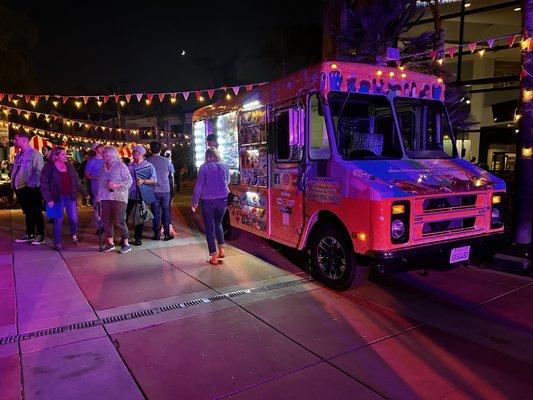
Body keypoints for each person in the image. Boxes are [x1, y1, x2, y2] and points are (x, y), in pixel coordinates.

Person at [40, 147, 87, 250]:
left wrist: (85, 193)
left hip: (70, 197)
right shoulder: (49, 167)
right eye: (63, 154)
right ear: (55, 156)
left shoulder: (69, 166)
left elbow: (76, 181)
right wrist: (48, 199)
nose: (66, 156)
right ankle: (57, 242)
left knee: (74, 219)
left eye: (65, 154)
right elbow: (43, 184)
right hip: (57, 198)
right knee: (58, 220)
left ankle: (74, 235)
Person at [191, 147, 229, 265]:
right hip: (222, 199)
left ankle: (213, 257)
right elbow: (227, 181)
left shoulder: (204, 168)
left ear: (207, 156)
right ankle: (221, 249)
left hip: (208, 200)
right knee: (218, 223)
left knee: (209, 228)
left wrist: (194, 202)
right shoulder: (224, 166)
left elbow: (199, 186)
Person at [97, 146, 133, 254]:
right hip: (105, 197)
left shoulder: (121, 166)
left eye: (104, 154)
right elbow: (101, 182)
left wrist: (116, 185)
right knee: (106, 220)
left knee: (119, 220)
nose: (102, 155)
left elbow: (129, 181)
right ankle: (110, 243)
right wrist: (99, 195)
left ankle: (126, 243)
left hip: (119, 197)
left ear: (111, 155)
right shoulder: (103, 166)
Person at [11, 132, 45, 244]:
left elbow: (40, 172)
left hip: (32, 188)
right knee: (28, 213)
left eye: (16, 139)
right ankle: (30, 233)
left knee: (36, 212)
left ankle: (40, 235)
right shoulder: (18, 155)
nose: (14, 141)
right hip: (20, 188)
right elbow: (16, 171)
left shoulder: (35, 155)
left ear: (24, 140)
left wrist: (31, 184)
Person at [127, 146, 157, 246]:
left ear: (139, 153)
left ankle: (137, 238)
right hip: (129, 195)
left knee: (140, 217)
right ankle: (125, 237)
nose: (132, 153)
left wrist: (143, 181)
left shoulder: (149, 166)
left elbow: (154, 180)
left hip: (141, 195)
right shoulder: (129, 166)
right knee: (124, 216)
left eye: (134, 152)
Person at [147, 141, 174, 241]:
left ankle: (157, 234)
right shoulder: (167, 161)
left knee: (155, 213)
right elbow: (169, 174)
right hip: (165, 190)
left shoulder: (148, 161)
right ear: (160, 149)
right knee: (166, 211)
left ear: (150, 149)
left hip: (153, 190)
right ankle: (167, 234)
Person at [85, 143, 105, 233]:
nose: (103, 148)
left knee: (105, 207)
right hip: (96, 186)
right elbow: (87, 175)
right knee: (97, 207)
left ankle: (105, 225)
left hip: (106, 186)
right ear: (96, 150)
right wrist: (96, 178)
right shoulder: (91, 161)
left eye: (103, 147)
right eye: (101, 147)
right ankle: (98, 227)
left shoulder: (106, 159)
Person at [160, 148, 177, 235]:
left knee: (167, 209)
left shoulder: (170, 164)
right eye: (167, 154)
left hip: (168, 189)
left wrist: (173, 191)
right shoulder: (165, 164)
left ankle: (166, 227)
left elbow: (172, 178)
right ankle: (166, 227)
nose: (169, 156)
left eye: (169, 154)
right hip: (163, 188)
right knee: (164, 209)